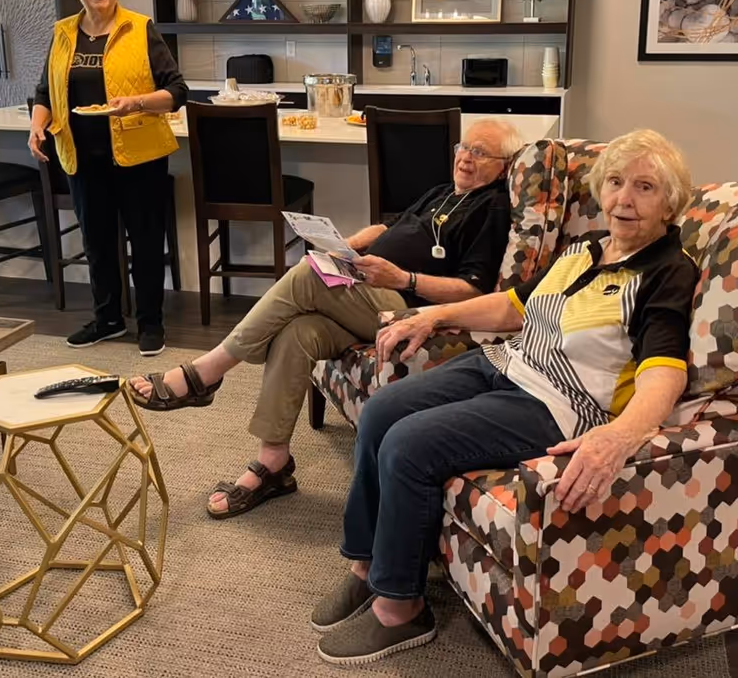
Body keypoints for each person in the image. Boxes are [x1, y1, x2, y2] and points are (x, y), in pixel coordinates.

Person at [307, 128, 699, 666]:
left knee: (408, 444)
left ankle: (401, 607)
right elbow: (515, 306)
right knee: (380, 411)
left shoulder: (667, 272)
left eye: (645, 187)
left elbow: (665, 373)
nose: (623, 200)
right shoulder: (587, 249)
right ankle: (366, 565)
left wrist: (621, 435)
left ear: (671, 201)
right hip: (505, 362)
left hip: (559, 403)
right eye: (614, 183)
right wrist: (434, 313)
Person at [127, 119, 527, 518]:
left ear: (504, 166)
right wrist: (347, 246)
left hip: (406, 308)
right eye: (463, 147)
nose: (465, 158)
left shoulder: (490, 208)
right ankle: (273, 464)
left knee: (308, 273)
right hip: (373, 288)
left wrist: (403, 277)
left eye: (480, 153)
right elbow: (391, 227)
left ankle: (205, 373)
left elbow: (474, 291)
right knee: (298, 330)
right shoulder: (442, 193)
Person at [29, 0, 187, 356]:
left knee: (146, 243)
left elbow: (177, 90)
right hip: (81, 156)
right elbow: (44, 91)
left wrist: (136, 102)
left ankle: (150, 323)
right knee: (97, 242)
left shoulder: (140, 28)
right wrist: (36, 125)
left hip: (139, 155)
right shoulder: (63, 33)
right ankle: (108, 319)